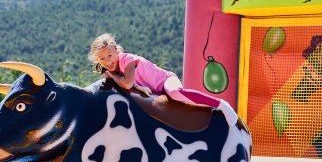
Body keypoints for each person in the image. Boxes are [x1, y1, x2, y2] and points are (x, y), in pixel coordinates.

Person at [88, 33, 238, 126]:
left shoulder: (127, 60)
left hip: (164, 81)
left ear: (116, 51)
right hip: (153, 93)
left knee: (175, 93)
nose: (107, 61)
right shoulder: (113, 70)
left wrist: (111, 74)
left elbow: (127, 84)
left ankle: (221, 104)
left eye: (109, 55)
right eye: (102, 59)